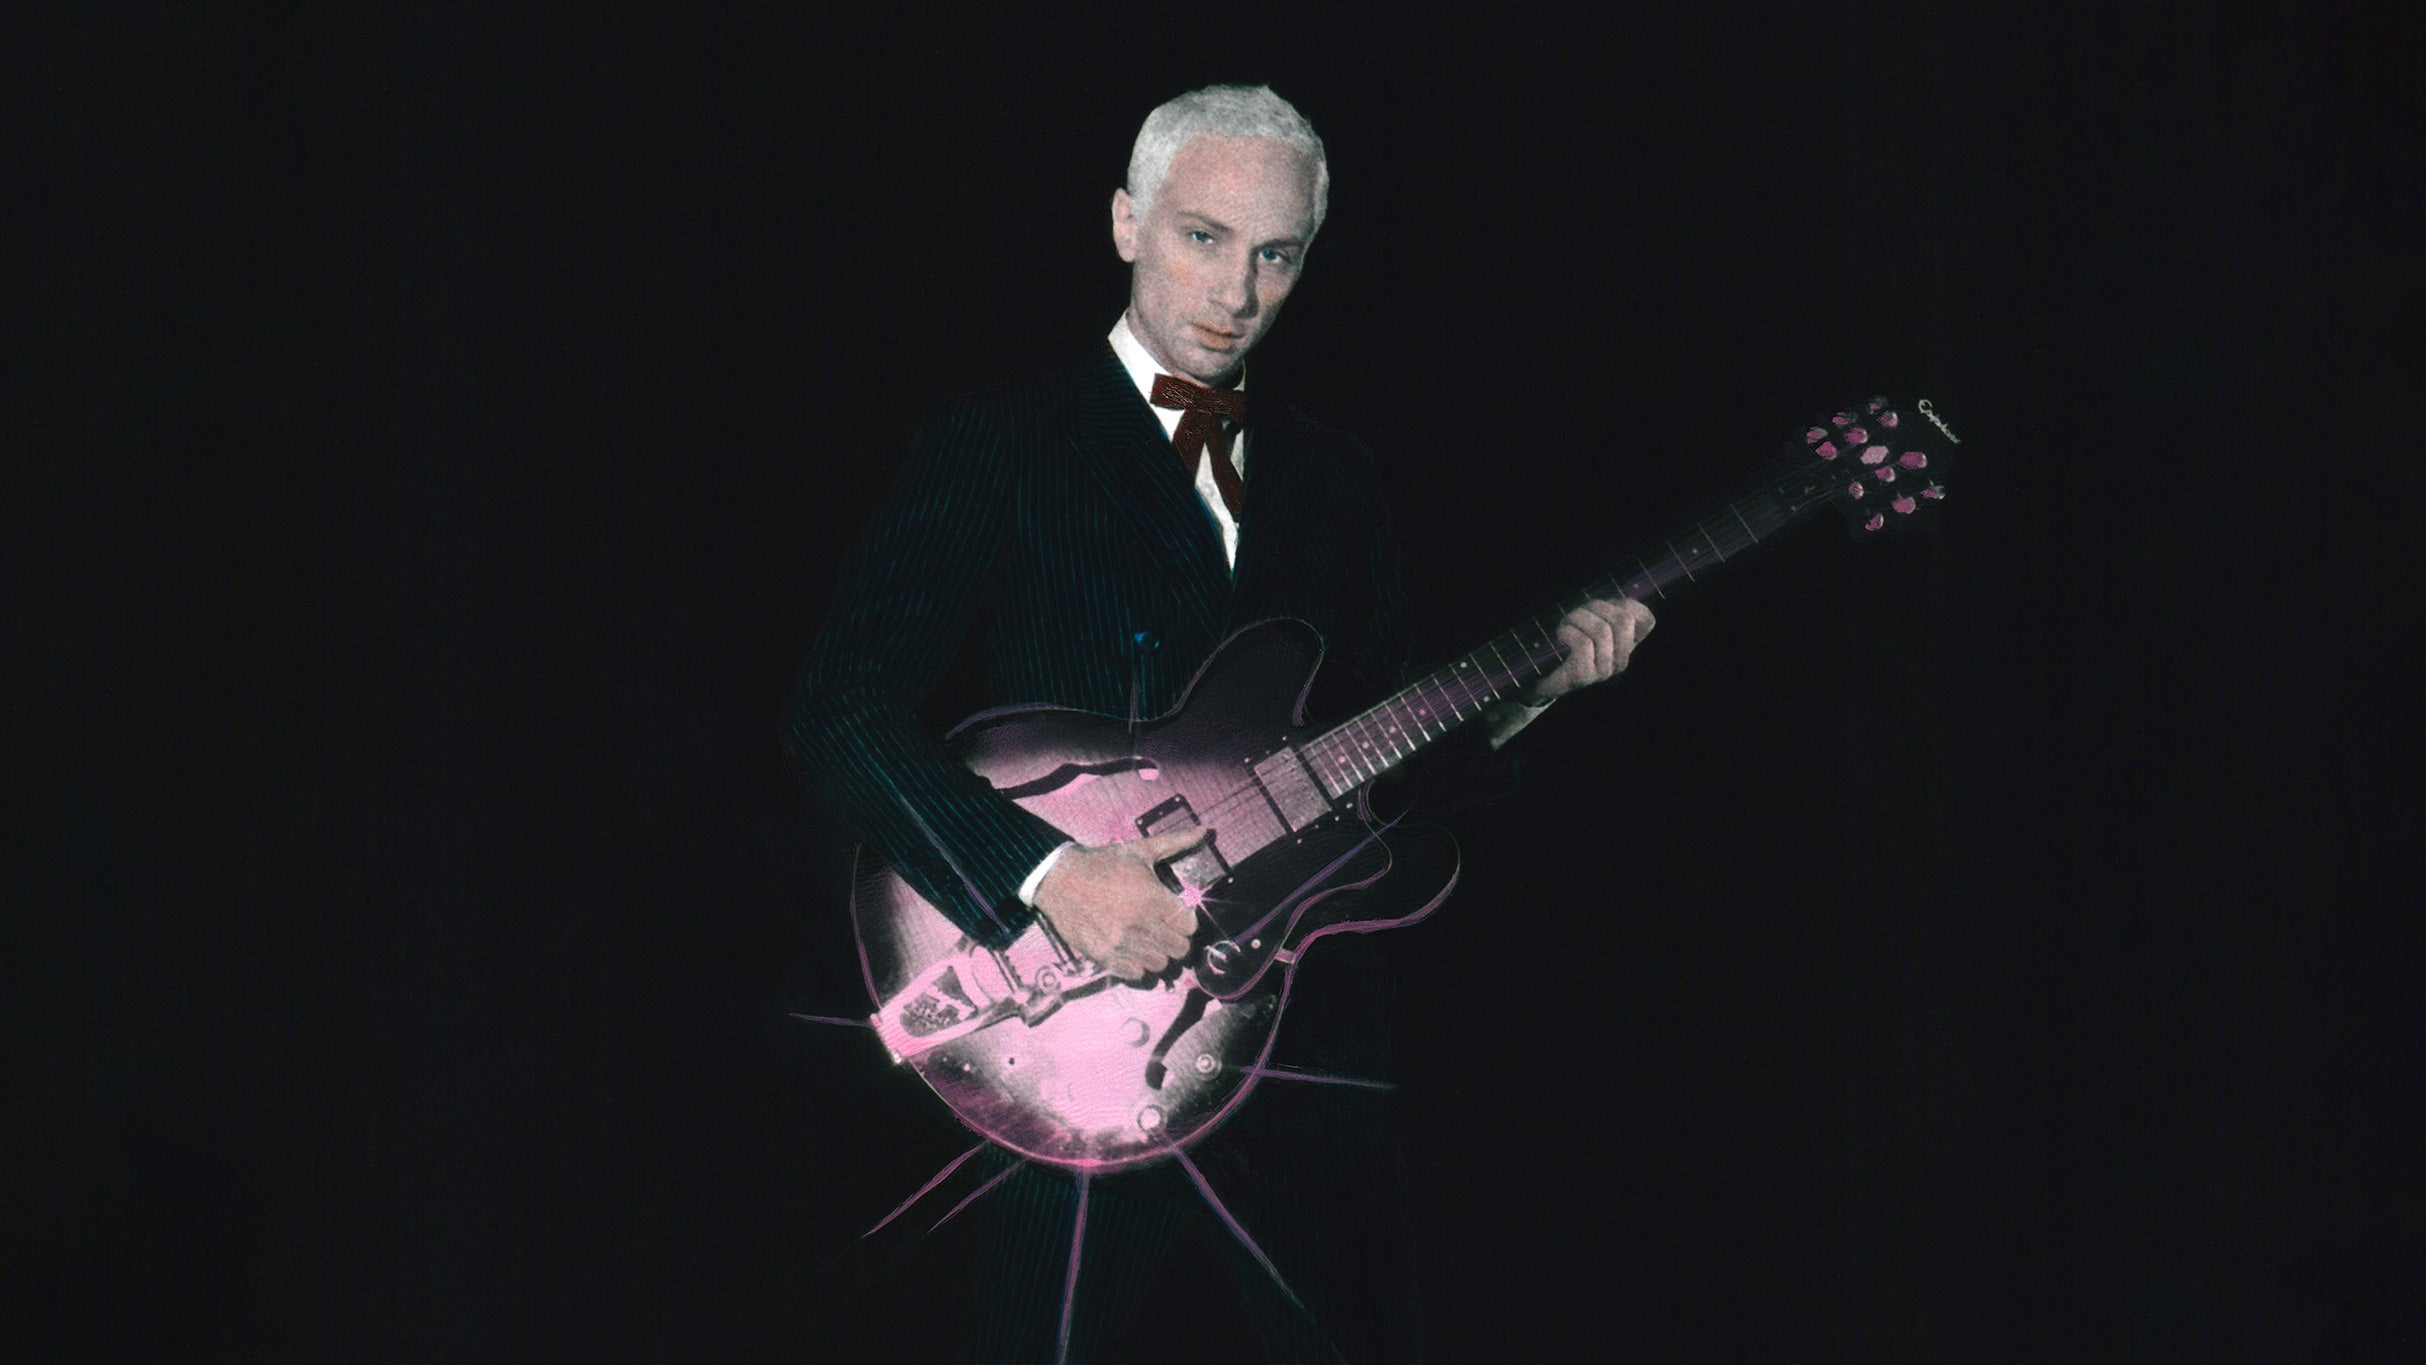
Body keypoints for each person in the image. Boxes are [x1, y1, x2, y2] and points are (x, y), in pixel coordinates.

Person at [786, 83, 1652, 1364]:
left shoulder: (1334, 475)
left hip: (1294, 1041)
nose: (1237, 292)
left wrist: (1530, 692)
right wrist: (1049, 877)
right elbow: (840, 708)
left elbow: (1375, 771)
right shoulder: (1001, 443)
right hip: (1069, 1033)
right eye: (1203, 237)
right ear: (1126, 222)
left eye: (1275, 255)